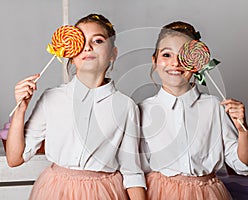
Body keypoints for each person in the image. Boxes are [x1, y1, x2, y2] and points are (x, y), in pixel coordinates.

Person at [6, 14, 146, 200]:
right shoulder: (51, 98)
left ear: (113, 54)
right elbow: (15, 159)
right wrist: (20, 109)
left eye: (97, 40)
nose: (87, 47)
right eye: (81, 41)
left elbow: (132, 171)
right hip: (55, 192)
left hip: (104, 193)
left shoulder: (126, 106)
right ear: (70, 55)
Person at [139, 21, 248, 199]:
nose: (175, 63)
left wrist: (243, 131)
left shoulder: (214, 107)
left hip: (207, 194)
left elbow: (243, 166)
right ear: (154, 61)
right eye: (167, 54)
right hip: (159, 193)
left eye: (183, 56)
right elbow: (136, 167)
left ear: (197, 63)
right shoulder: (142, 110)